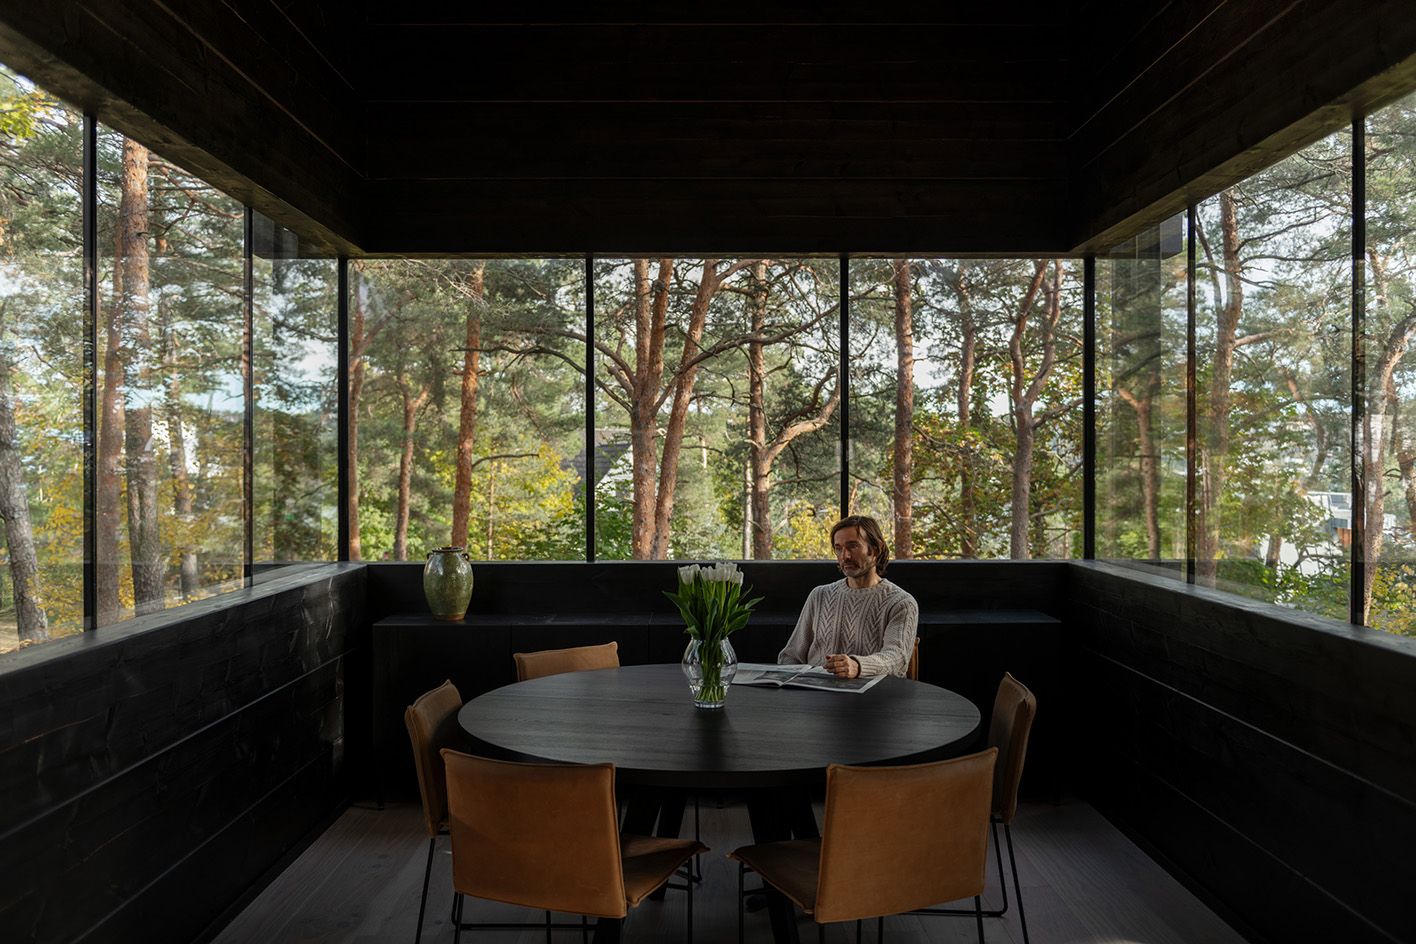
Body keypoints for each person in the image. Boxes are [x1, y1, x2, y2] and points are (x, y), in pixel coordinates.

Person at [777, 514, 919, 679]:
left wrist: (857, 666)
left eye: (853, 546)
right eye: (838, 548)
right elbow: (791, 656)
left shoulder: (901, 602)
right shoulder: (819, 595)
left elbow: (897, 659)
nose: (845, 556)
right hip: (813, 695)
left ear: (876, 549)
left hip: (872, 698)